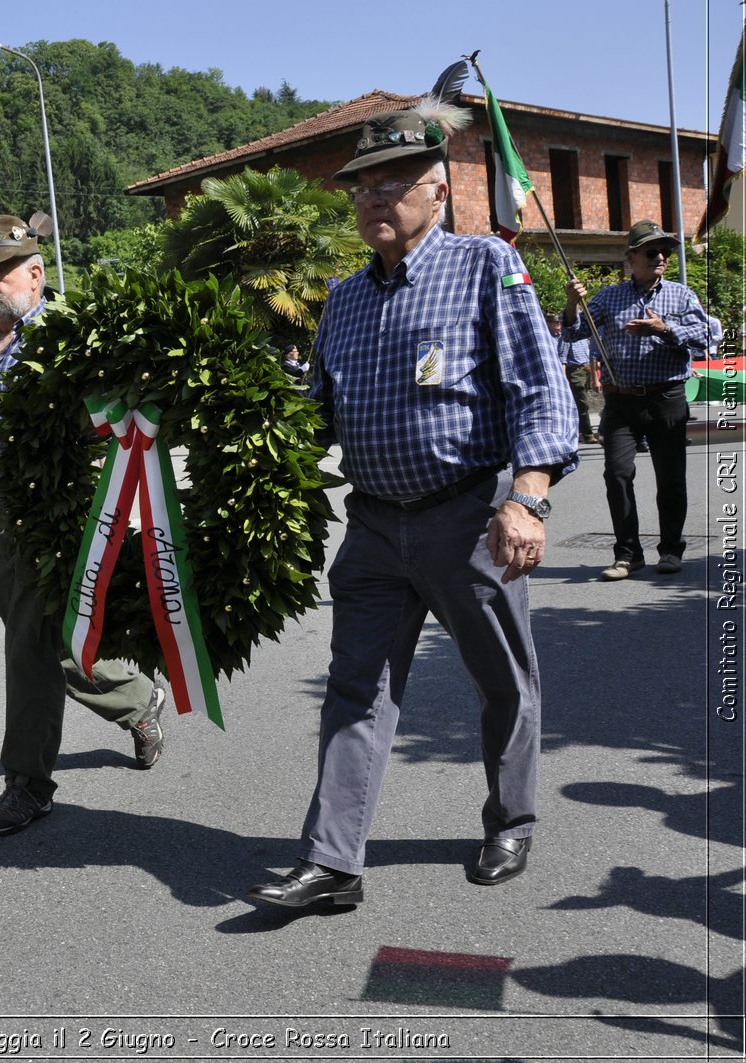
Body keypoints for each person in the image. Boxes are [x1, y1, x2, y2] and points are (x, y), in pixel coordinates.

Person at [246, 101, 578, 911]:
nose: (371, 200)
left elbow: (541, 391)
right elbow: (315, 412)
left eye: (391, 184)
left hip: (466, 517)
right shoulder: (344, 301)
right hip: (373, 527)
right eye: (360, 188)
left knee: (502, 678)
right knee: (354, 688)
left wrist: (527, 499)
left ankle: (512, 817)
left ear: (438, 190)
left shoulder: (485, 268)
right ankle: (333, 861)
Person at [0, 215, 168, 838]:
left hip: (59, 507)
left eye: (1, 271)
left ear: (36, 274)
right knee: (48, 631)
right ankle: (135, 699)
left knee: (28, 641)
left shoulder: (68, 334)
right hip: (0, 509)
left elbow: (116, 419)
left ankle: (27, 784)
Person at [564, 220, 710, 580]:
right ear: (630, 257)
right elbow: (572, 332)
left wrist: (665, 329)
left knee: (671, 479)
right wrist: (571, 304)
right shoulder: (607, 298)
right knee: (616, 474)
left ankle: (671, 550)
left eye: (664, 251)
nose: (660, 256)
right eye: (651, 251)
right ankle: (628, 554)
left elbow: (708, 336)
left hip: (667, 398)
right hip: (621, 403)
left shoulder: (681, 295)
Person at [546, 312, 597, 444]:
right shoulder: (567, 336)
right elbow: (562, 358)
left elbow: (589, 354)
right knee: (582, 404)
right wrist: (564, 379)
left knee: (582, 404)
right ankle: (587, 434)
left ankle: (581, 431)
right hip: (574, 372)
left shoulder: (584, 336)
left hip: (586, 370)